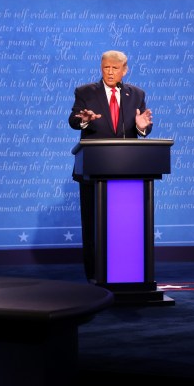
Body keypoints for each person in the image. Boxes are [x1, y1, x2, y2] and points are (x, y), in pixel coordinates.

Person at [68, 49, 154, 282]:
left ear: (124, 70)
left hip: (128, 169)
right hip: (93, 168)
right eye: (106, 67)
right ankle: (95, 275)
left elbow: (143, 128)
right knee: (94, 224)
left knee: (125, 226)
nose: (110, 72)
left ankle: (128, 273)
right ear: (101, 68)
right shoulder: (85, 92)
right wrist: (83, 120)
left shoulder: (136, 94)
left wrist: (141, 127)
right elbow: (73, 120)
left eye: (115, 68)